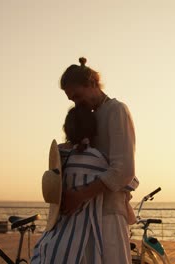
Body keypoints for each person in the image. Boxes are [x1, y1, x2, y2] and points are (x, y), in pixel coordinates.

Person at [59, 57, 137, 263]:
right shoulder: (91, 115)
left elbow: (123, 171)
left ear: (92, 83)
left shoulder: (116, 110)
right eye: (71, 99)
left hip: (108, 214)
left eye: (77, 95)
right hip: (84, 217)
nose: (76, 103)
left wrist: (78, 196)